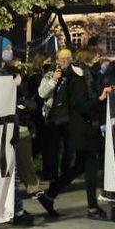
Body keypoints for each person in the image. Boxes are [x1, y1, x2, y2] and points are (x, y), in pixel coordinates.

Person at [36, 48, 108, 221]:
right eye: (96, 58)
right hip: (82, 127)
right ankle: (92, 208)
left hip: (83, 126)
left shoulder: (83, 75)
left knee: (81, 166)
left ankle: (50, 195)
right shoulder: (79, 77)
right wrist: (100, 99)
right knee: (90, 164)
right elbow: (80, 105)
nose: (99, 61)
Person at [0, 36, 35, 226]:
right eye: (7, 47)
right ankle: (14, 210)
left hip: (9, 128)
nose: (10, 50)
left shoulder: (3, 71)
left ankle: (14, 208)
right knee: (10, 171)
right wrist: (10, 86)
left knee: (11, 171)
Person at [37, 48, 75, 184]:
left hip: (69, 118)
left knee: (69, 150)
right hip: (53, 118)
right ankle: (52, 176)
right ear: (57, 60)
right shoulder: (50, 75)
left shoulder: (75, 74)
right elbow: (42, 93)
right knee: (53, 150)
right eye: (62, 59)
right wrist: (53, 80)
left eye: (68, 58)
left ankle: (66, 174)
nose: (65, 62)